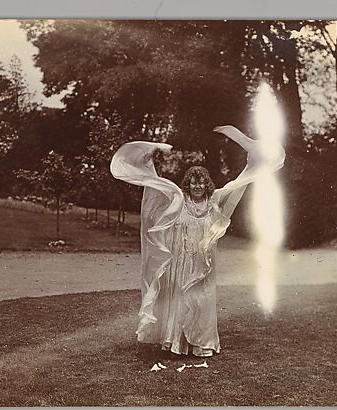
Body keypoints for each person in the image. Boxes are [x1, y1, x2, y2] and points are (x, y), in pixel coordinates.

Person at [110, 125, 285, 357]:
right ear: (187, 184)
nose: (197, 186)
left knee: (201, 302)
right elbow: (154, 186)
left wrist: (252, 160)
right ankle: (175, 343)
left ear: (207, 184)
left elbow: (240, 184)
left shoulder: (215, 202)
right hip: (180, 262)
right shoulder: (178, 202)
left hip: (203, 263)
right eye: (193, 182)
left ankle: (201, 343)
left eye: (201, 182)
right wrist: (149, 158)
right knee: (180, 300)